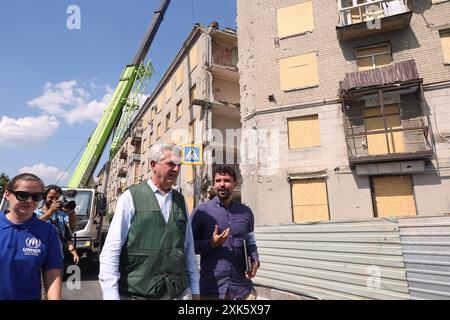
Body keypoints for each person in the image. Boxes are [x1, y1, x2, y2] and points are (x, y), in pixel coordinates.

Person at [99, 143, 200, 300]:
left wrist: (195, 289)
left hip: (178, 292)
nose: (177, 169)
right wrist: (111, 294)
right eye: (171, 164)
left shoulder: (181, 201)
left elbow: (188, 250)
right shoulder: (131, 197)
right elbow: (112, 250)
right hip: (138, 293)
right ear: (153, 165)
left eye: (179, 165)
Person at [191, 165, 260, 300]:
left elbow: (250, 242)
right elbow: (188, 247)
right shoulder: (201, 212)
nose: (222, 184)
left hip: (242, 290)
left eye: (226, 180)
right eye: (218, 181)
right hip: (211, 290)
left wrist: (255, 260)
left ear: (236, 183)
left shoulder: (246, 212)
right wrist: (211, 243)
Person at [0, 173, 62, 300]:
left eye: (36, 196)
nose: (29, 201)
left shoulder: (47, 232)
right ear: (7, 194)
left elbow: (52, 274)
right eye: (22, 195)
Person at [35, 185, 80, 266]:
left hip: (57, 257)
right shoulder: (36, 214)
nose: (54, 201)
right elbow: (33, 226)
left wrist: (71, 213)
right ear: (44, 197)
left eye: (56, 198)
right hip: (38, 256)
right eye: (51, 197)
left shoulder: (61, 214)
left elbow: (71, 229)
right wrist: (50, 211)